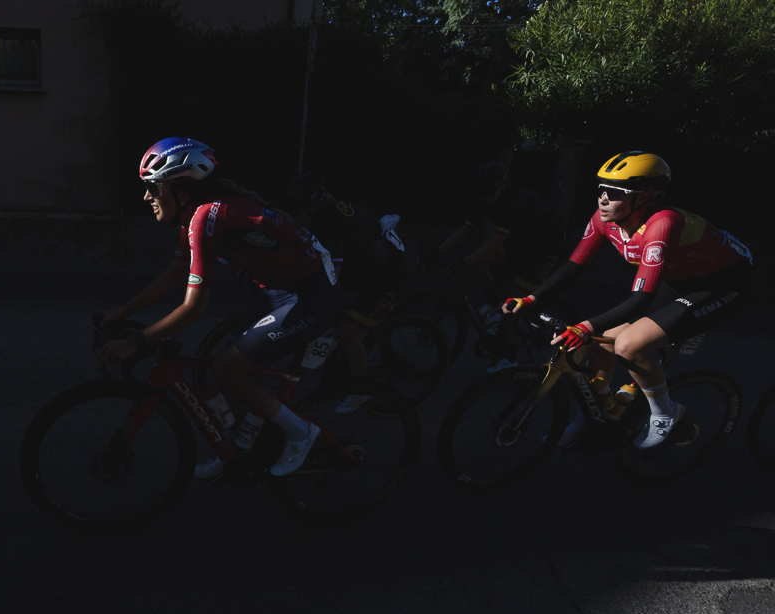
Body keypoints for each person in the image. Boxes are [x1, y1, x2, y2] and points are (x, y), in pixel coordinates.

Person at [96, 138, 342, 477]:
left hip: (308, 298)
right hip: (281, 293)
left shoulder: (206, 219)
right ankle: (240, 451)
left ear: (180, 190)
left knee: (227, 368)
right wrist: (121, 313)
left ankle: (302, 433)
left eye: (153, 188)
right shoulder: (195, 215)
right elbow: (172, 275)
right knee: (226, 366)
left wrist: (135, 341)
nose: (146, 197)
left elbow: (193, 309)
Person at [502, 151, 755, 449]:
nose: (603, 198)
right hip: (677, 279)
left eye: (615, 192)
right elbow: (574, 265)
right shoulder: (603, 219)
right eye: (601, 189)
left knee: (628, 345)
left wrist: (583, 326)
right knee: (602, 341)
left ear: (644, 196)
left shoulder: (662, 224)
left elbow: (641, 297)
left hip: (722, 283)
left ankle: (666, 414)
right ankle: (593, 420)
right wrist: (531, 298)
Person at [281, 171, 406, 413]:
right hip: (364, 268)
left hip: (387, 277)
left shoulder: (331, 223)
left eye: (298, 213)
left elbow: (333, 276)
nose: (294, 219)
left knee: (349, 333)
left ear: (314, 205)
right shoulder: (321, 214)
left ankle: (360, 392)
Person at [436, 161, 568, 368]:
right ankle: (493, 309)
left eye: (491, 190)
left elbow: (495, 243)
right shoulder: (486, 200)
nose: (487, 195)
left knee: (514, 302)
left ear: (503, 185)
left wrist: (462, 263)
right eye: (482, 191)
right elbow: (463, 231)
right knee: (479, 264)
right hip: (523, 242)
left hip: (548, 249)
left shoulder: (515, 200)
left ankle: (510, 359)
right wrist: (436, 251)